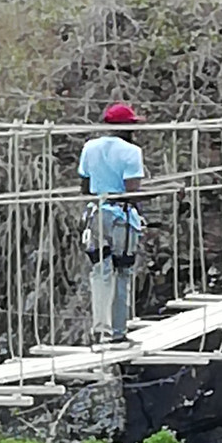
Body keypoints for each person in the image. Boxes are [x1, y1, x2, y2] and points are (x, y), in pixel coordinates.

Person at [78, 102, 146, 345]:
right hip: (122, 217)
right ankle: (118, 332)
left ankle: (100, 330)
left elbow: (85, 187)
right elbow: (132, 192)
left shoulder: (89, 147)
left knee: (100, 272)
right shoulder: (131, 152)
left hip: (96, 214)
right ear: (126, 127)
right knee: (122, 271)